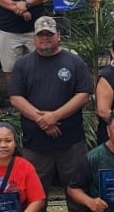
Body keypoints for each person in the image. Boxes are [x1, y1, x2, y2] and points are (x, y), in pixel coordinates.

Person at [10, 16, 94, 198]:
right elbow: (16, 98)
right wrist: (42, 119)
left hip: (71, 143)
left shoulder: (74, 62)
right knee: (35, 196)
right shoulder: (22, 65)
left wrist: (55, 116)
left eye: (49, 34)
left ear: (58, 36)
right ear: (34, 38)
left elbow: (84, 95)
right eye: (41, 35)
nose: (45, 38)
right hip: (35, 144)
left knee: (78, 191)